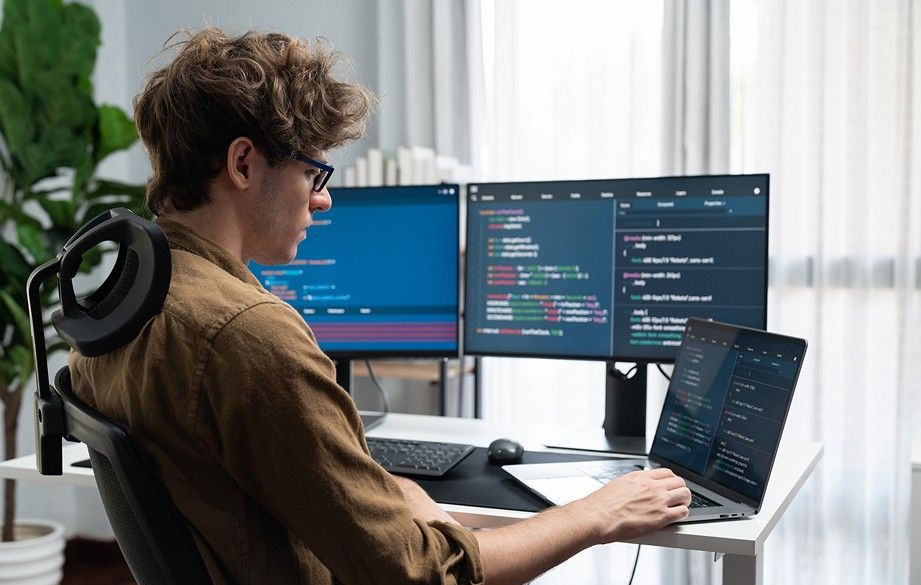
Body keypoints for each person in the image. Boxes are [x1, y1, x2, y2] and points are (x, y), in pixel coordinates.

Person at [69, 28, 690, 585]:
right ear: (243, 163)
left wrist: (386, 503)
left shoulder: (116, 304)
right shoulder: (249, 336)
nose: (323, 201)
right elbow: (421, 574)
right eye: (314, 174)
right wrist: (596, 513)